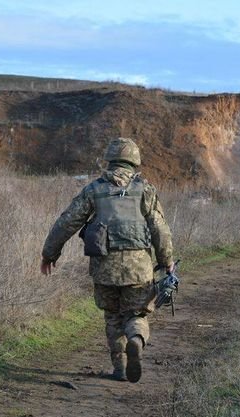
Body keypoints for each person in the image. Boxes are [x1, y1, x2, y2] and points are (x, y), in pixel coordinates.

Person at [40, 137, 174, 383]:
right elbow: (160, 229)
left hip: (105, 270)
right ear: (134, 162)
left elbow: (67, 222)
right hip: (138, 270)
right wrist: (167, 260)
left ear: (110, 160)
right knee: (137, 314)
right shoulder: (145, 190)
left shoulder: (94, 190)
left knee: (113, 316)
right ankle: (136, 339)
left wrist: (50, 253)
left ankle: (120, 368)